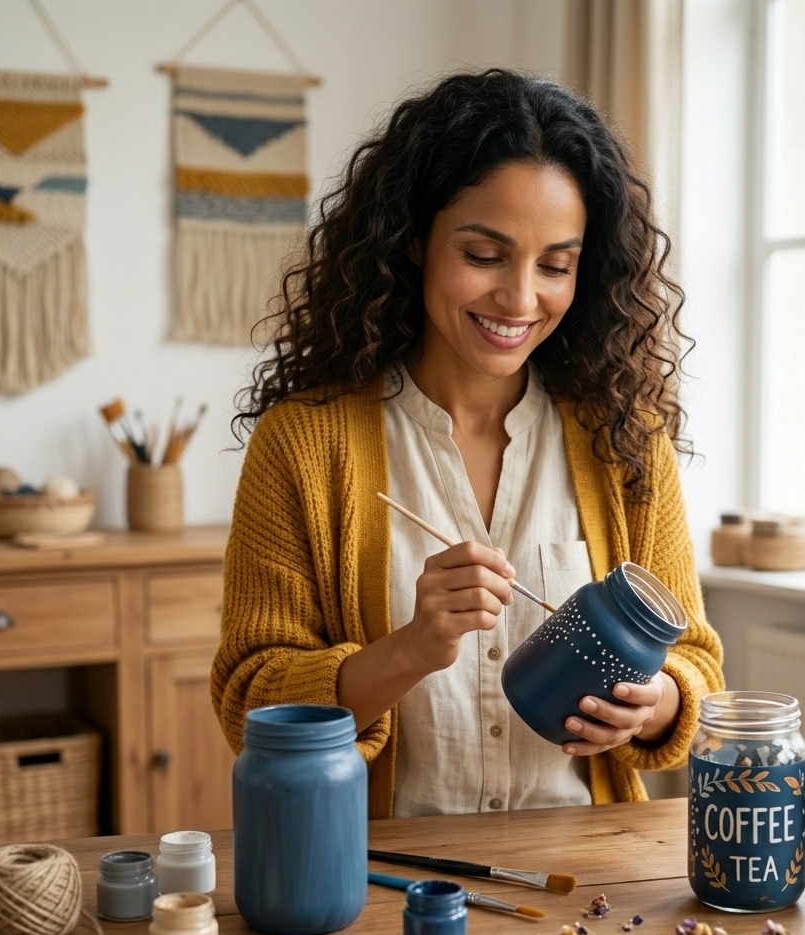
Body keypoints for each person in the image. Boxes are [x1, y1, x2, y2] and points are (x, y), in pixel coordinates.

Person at [211, 68, 723, 819]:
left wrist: (654, 706)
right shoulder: (305, 444)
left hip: (582, 880)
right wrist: (408, 650)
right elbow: (250, 700)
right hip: (382, 875)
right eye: (484, 255)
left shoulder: (624, 440)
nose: (520, 300)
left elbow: (697, 664)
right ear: (414, 239)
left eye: (555, 265)